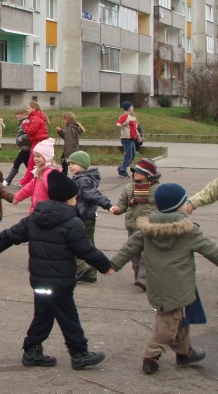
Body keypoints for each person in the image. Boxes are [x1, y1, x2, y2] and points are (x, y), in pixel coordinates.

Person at [0, 170, 112, 370]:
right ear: (67, 199)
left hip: (40, 280)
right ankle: (79, 353)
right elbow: (86, 249)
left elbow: (12, 234)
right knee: (68, 315)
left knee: (44, 313)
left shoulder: (36, 217)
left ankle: (32, 350)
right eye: (75, 196)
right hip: (60, 281)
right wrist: (105, 266)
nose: (76, 199)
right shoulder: (72, 222)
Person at [110, 183, 218, 375]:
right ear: (179, 206)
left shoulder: (147, 227)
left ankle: (185, 353)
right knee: (168, 323)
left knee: (180, 318)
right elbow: (212, 250)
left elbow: (129, 248)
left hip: (157, 285)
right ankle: (150, 355)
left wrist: (112, 265)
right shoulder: (188, 230)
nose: (187, 205)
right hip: (179, 285)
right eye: (185, 202)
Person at [110, 158, 160, 291]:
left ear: (149, 175)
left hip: (149, 227)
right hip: (133, 225)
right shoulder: (129, 187)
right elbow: (123, 203)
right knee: (134, 254)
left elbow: (163, 206)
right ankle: (138, 275)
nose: (135, 173)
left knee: (146, 254)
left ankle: (144, 278)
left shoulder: (156, 190)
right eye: (134, 171)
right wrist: (118, 209)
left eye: (139, 172)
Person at [67, 151, 113, 283]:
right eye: (69, 164)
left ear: (83, 165)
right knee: (89, 245)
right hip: (88, 216)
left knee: (76, 244)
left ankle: (82, 268)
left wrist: (108, 205)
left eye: (74, 163)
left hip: (82, 217)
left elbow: (94, 194)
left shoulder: (83, 180)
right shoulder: (83, 178)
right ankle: (91, 272)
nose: (70, 166)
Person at [13, 138, 60, 214]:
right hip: (36, 211)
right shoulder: (39, 171)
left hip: (45, 212)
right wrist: (18, 196)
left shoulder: (49, 174)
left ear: (47, 157)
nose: (35, 159)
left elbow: (56, 193)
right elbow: (30, 187)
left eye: (38, 156)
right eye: (34, 156)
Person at [18, 101, 49, 187]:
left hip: (38, 142)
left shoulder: (35, 118)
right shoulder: (37, 117)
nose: (27, 110)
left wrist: (24, 125)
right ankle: (34, 180)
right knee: (36, 162)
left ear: (34, 108)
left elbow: (31, 131)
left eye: (28, 108)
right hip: (38, 141)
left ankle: (26, 182)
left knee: (32, 162)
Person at [3, 108, 31, 187]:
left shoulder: (26, 121)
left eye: (18, 114)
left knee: (17, 163)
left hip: (26, 147)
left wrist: (21, 138)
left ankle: (8, 180)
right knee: (28, 164)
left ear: (23, 114)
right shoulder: (21, 122)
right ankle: (34, 179)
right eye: (16, 115)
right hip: (23, 147)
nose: (17, 116)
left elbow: (28, 133)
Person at [116, 101, 138, 178]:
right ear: (128, 108)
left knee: (132, 155)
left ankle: (121, 168)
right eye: (131, 106)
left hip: (132, 138)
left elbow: (135, 128)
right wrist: (119, 124)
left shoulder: (133, 117)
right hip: (126, 138)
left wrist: (139, 136)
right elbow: (120, 122)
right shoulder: (125, 116)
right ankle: (122, 170)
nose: (133, 107)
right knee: (129, 155)